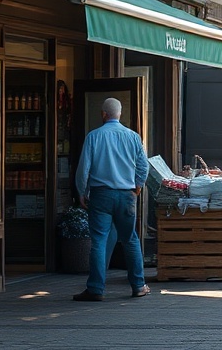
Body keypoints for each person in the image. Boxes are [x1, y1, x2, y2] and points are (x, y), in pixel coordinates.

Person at [73, 97, 151, 301]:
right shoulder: (133, 137)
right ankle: (139, 285)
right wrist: (138, 185)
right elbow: (144, 165)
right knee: (130, 239)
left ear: (103, 114)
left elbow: (84, 168)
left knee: (99, 241)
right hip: (127, 195)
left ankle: (96, 289)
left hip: (101, 195)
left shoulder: (94, 136)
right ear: (120, 114)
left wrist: (82, 191)